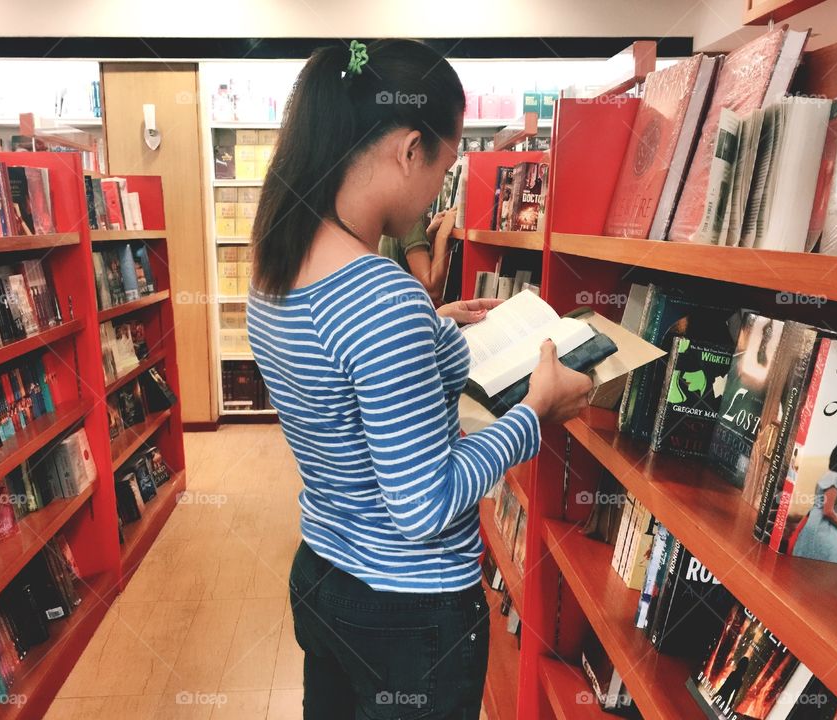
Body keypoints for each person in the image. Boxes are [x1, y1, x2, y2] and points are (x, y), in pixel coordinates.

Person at [247, 38, 592, 720]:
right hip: (409, 615)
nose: (443, 189)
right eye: (446, 162)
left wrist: (433, 324)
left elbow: (340, 378)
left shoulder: (274, 267)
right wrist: (535, 414)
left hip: (325, 574)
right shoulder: (381, 299)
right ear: (409, 150)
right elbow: (424, 508)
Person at [792, 440, 837, 566]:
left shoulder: (834, 476)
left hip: (824, 520)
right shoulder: (834, 477)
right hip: (822, 525)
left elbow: (834, 509)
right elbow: (827, 511)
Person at [378, 207, 457, 303]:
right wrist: (442, 235)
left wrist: (427, 235)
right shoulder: (410, 214)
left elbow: (399, 253)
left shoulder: (392, 209)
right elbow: (432, 290)